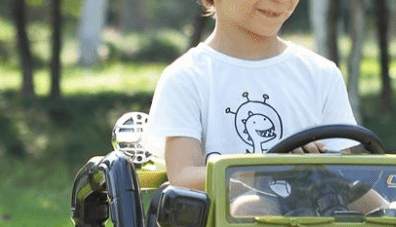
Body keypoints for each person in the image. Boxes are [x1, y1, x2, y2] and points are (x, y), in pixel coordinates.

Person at [144, 0, 356, 192]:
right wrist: (265, 173)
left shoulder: (322, 74)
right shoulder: (186, 77)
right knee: (250, 207)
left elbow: (343, 179)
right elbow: (183, 176)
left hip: (317, 224)